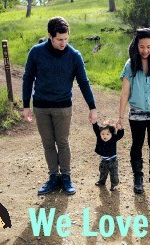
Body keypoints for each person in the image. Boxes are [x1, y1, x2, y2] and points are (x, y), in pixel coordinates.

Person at [22, 16, 98, 195]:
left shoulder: (74, 56)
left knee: (62, 142)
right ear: (50, 35)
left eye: (66, 39)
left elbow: (84, 82)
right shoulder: (36, 52)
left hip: (63, 107)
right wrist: (26, 105)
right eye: (59, 39)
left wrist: (92, 107)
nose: (63, 43)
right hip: (41, 107)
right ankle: (53, 177)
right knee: (48, 143)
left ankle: (66, 177)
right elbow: (27, 78)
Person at [117, 28, 150, 195]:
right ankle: (138, 177)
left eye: (148, 46)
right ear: (136, 45)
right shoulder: (130, 64)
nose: (145, 50)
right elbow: (125, 92)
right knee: (137, 144)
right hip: (137, 113)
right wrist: (120, 116)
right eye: (141, 46)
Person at [92, 120, 124, 191]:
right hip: (104, 159)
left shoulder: (114, 138)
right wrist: (94, 122)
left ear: (112, 134)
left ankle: (113, 184)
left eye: (107, 134)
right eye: (102, 134)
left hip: (113, 160)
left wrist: (120, 129)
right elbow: (96, 129)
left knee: (114, 174)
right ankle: (101, 181)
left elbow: (120, 135)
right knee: (103, 171)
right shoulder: (99, 137)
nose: (104, 136)